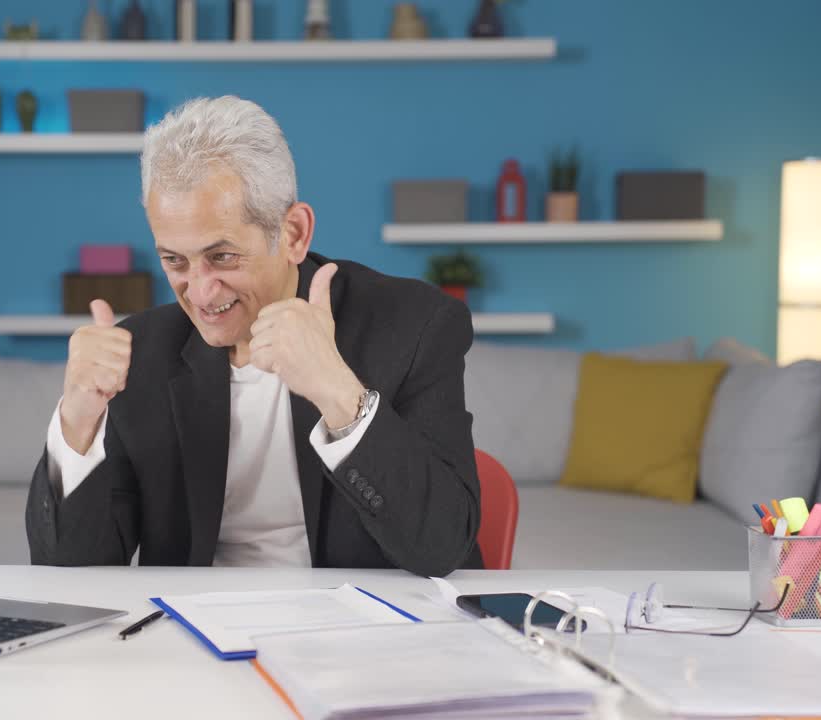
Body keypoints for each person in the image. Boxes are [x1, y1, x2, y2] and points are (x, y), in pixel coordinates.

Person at [25, 95, 482, 577]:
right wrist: (76, 421)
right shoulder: (141, 355)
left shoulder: (416, 324)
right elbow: (72, 573)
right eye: (174, 261)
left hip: (363, 635)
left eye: (222, 257)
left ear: (293, 234)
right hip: (194, 633)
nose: (199, 292)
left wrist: (340, 394)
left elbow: (443, 547)